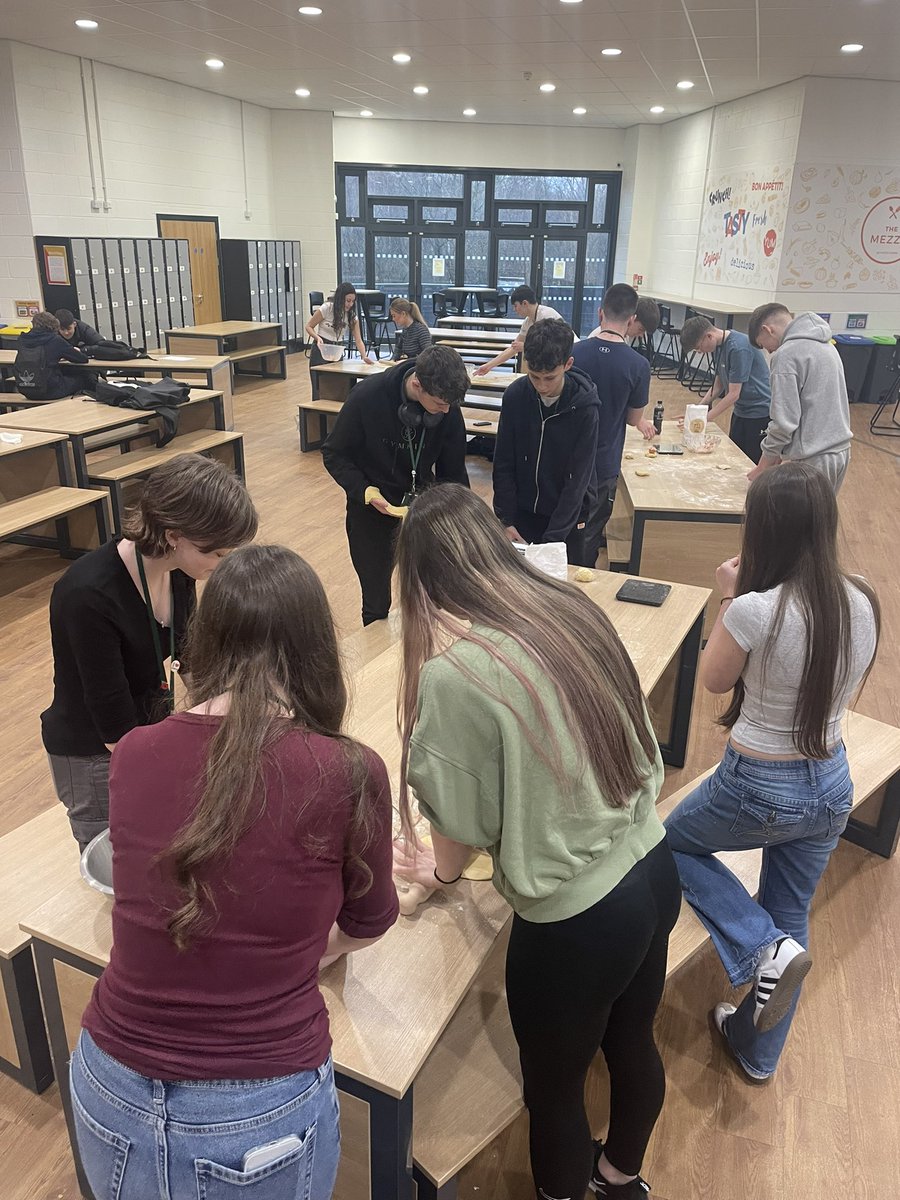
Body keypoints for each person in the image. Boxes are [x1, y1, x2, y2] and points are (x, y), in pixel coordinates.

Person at [71, 544, 399, 1200]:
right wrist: (286, 954)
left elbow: (133, 909)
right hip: (258, 1107)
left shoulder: (136, 751)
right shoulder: (350, 770)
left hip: (107, 1084)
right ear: (315, 649)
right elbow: (365, 925)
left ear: (207, 641)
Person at [393, 485, 681, 1200]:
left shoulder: (453, 676)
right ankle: (619, 1180)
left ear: (423, 580)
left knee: (553, 1097)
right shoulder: (569, 609)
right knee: (631, 1042)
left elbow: (454, 843)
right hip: (654, 865)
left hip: (579, 925)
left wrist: (438, 872)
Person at [664, 463, 879, 1083]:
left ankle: (763, 950)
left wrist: (727, 595)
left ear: (762, 530)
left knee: (665, 843)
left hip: (758, 784)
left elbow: (712, 680)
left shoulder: (755, 609)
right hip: (831, 781)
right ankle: (757, 1051)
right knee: (792, 911)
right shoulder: (860, 596)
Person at [41, 454, 258, 850]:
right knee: (117, 855)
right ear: (174, 535)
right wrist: (181, 754)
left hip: (144, 730)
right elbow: (113, 727)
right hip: (92, 751)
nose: (220, 565)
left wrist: (233, 720)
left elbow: (190, 658)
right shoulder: (88, 595)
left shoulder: (179, 571)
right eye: (215, 554)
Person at [322, 344, 470, 626]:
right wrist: (366, 492)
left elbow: (454, 472)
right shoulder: (367, 396)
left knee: (432, 596)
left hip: (423, 514)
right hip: (371, 511)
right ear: (417, 384)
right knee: (376, 602)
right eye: (440, 404)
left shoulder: (447, 408)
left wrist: (459, 521)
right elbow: (334, 453)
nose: (446, 410)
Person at [492, 318, 599, 565]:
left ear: (568, 364)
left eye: (549, 378)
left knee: (563, 586)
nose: (541, 386)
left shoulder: (586, 407)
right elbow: (504, 463)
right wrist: (505, 520)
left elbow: (577, 481)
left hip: (568, 517)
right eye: (534, 376)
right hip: (522, 513)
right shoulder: (515, 397)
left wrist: (553, 539)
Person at [572, 283, 656, 566]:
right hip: (603, 462)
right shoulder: (638, 365)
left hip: (567, 457)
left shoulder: (574, 353)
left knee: (562, 524)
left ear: (600, 313)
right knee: (591, 532)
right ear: (632, 320)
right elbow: (634, 419)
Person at [747, 305, 852, 491]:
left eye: (765, 346)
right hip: (841, 451)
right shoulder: (826, 344)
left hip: (815, 457)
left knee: (804, 519)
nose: (769, 352)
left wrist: (763, 467)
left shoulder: (787, 355)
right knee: (821, 517)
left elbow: (783, 422)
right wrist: (778, 454)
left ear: (767, 329)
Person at [679, 315, 771, 463]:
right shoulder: (717, 346)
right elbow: (718, 386)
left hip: (759, 412)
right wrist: (696, 412)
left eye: (698, 348)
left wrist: (704, 419)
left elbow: (734, 394)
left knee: (751, 461)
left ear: (709, 336)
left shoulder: (738, 347)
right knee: (736, 456)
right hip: (741, 410)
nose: (700, 352)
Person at [473, 285, 564, 376]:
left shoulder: (547, 315)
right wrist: (488, 366)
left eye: (515, 306)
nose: (514, 309)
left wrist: (526, 347)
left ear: (525, 303)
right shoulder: (527, 322)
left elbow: (554, 347)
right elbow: (514, 348)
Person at [305, 283, 373, 399]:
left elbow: (358, 339)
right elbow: (309, 326)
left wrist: (364, 356)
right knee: (318, 386)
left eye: (352, 301)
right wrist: (317, 338)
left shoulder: (352, 316)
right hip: (321, 348)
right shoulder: (327, 308)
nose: (350, 304)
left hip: (337, 350)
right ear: (340, 298)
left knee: (337, 385)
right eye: (348, 301)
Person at [13, 310, 91, 400]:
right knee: (84, 379)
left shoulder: (22, 340)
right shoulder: (55, 340)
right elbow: (82, 359)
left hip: (26, 391)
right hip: (50, 391)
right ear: (54, 325)